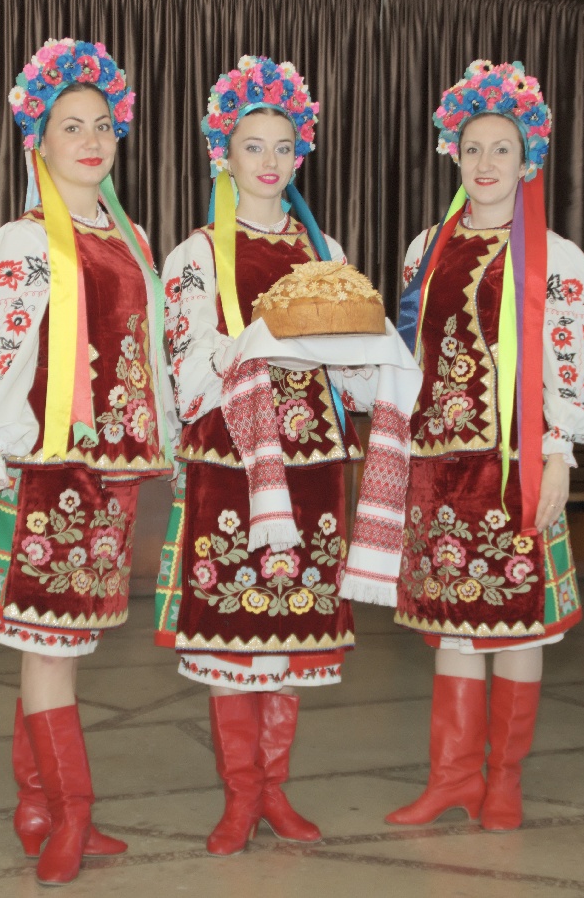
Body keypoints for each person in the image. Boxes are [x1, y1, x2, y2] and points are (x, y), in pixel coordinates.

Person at [157, 55, 415, 856]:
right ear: (223, 155)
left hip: (311, 465)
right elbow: (188, 369)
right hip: (230, 464)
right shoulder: (196, 254)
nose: (268, 161)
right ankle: (240, 797)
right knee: (235, 630)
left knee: (295, 628)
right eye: (251, 146)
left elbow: (350, 364)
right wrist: (260, 344)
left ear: (300, 154)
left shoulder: (323, 247)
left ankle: (274, 791)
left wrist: (373, 361)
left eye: (282, 146)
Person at [0, 38, 175, 886]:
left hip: (108, 475)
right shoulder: (24, 240)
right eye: (70, 126)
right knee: (47, 648)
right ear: (36, 141)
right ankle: (70, 817)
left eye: (102, 124)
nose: (91, 139)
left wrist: (168, 443)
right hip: (46, 470)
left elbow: (144, 356)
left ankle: (37, 807)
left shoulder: (131, 237)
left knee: (63, 646)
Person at [389, 60, 584, 833]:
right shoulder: (425, 248)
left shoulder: (556, 256)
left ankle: (502, 781)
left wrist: (558, 453)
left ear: (526, 159)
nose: (484, 163)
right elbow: (410, 355)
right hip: (438, 466)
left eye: (500, 149)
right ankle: (450, 779)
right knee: (452, 619)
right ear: (454, 153)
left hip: (515, 464)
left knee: (518, 619)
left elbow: (573, 366)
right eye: (472, 148)